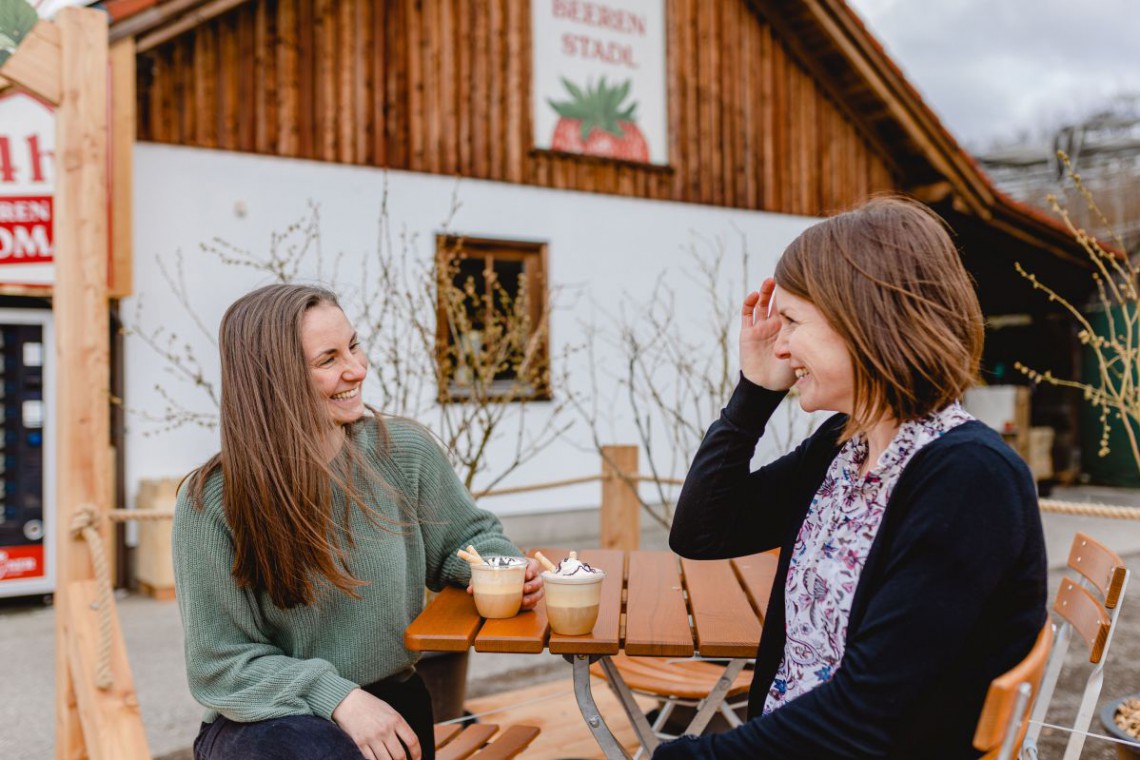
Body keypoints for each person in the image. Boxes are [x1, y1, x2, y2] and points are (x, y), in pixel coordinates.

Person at [653, 197, 1047, 759]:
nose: (779, 345)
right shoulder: (846, 445)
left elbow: (867, 718)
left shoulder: (968, 479)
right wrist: (755, 393)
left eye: (791, 321)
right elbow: (703, 532)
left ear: (864, 320)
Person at [173, 283, 544, 760]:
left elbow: (467, 538)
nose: (357, 369)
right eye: (327, 360)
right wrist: (339, 697)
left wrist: (501, 568)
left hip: (393, 707)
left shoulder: (403, 452)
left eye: (353, 345)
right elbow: (218, 664)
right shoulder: (210, 502)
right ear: (272, 380)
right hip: (267, 722)